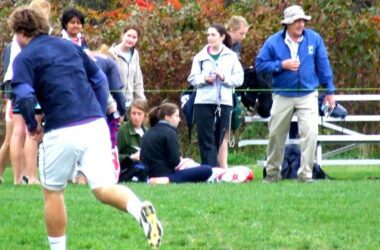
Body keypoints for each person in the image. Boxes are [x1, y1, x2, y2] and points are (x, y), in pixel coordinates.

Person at [8, 7, 162, 249]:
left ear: (19, 32)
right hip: (95, 124)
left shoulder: (24, 59)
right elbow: (100, 79)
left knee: (53, 192)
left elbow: (25, 97)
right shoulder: (71, 47)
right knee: (103, 188)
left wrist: (31, 125)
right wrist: (100, 112)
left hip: (61, 129)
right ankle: (138, 208)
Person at [255, 5, 335, 183]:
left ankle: (306, 175)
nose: (301, 24)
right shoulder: (273, 42)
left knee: (310, 132)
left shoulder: (314, 39)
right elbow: (260, 65)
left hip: (308, 94)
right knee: (276, 134)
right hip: (282, 94)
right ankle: (272, 174)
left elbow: (324, 65)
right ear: (287, 24)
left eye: (302, 21)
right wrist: (281, 65)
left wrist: (330, 91)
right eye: (297, 21)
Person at [6, 0, 51, 185]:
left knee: (17, 131)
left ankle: (18, 178)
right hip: (30, 82)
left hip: (12, 82)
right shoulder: (38, 36)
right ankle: (31, 176)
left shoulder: (16, 37)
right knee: (32, 128)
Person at [187, 23, 244, 168]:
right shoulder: (200, 56)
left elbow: (239, 79)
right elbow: (192, 78)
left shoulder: (231, 56)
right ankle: (210, 170)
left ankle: (213, 168)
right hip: (203, 101)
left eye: (213, 35)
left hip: (224, 102)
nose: (210, 38)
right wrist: (204, 79)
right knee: (205, 137)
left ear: (222, 37)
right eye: (208, 35)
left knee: (219, 137)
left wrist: (224, 77)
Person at [140, 103, 212, 183]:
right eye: (176, 116)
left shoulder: (148, 132)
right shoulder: (170, 132)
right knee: (207, 169)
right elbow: (174, 161)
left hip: (148, 173)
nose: (179, 119)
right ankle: (167, 180)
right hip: (165, 173)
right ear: (167, 117)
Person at [216, 16, 249, 169]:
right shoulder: (221, 45)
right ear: (231, 30)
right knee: (220, 130)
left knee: (227, 130)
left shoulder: (237, 47)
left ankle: (224, 164)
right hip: (217, 93)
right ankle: (219, 165)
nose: (244, 37)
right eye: (241, 33)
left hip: (231, 91)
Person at [109, 25, 146, 108]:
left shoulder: (135, 54)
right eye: (128, 36)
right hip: (115, 104)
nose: (130, 39)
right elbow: (106, 82)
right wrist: (111, 104)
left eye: (134, 37)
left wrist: (143, 103)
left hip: (130, 105)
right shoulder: (111, 54)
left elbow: (138, 81)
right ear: (123, 35)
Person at [117, 99, 149, 182]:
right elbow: (113, 155)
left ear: (145, 115)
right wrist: (131, 157)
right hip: (127, 168)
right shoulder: (122, 130)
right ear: (129, 114)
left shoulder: (147, 131)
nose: (136, 117)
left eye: (139, 114)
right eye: (133, 113)